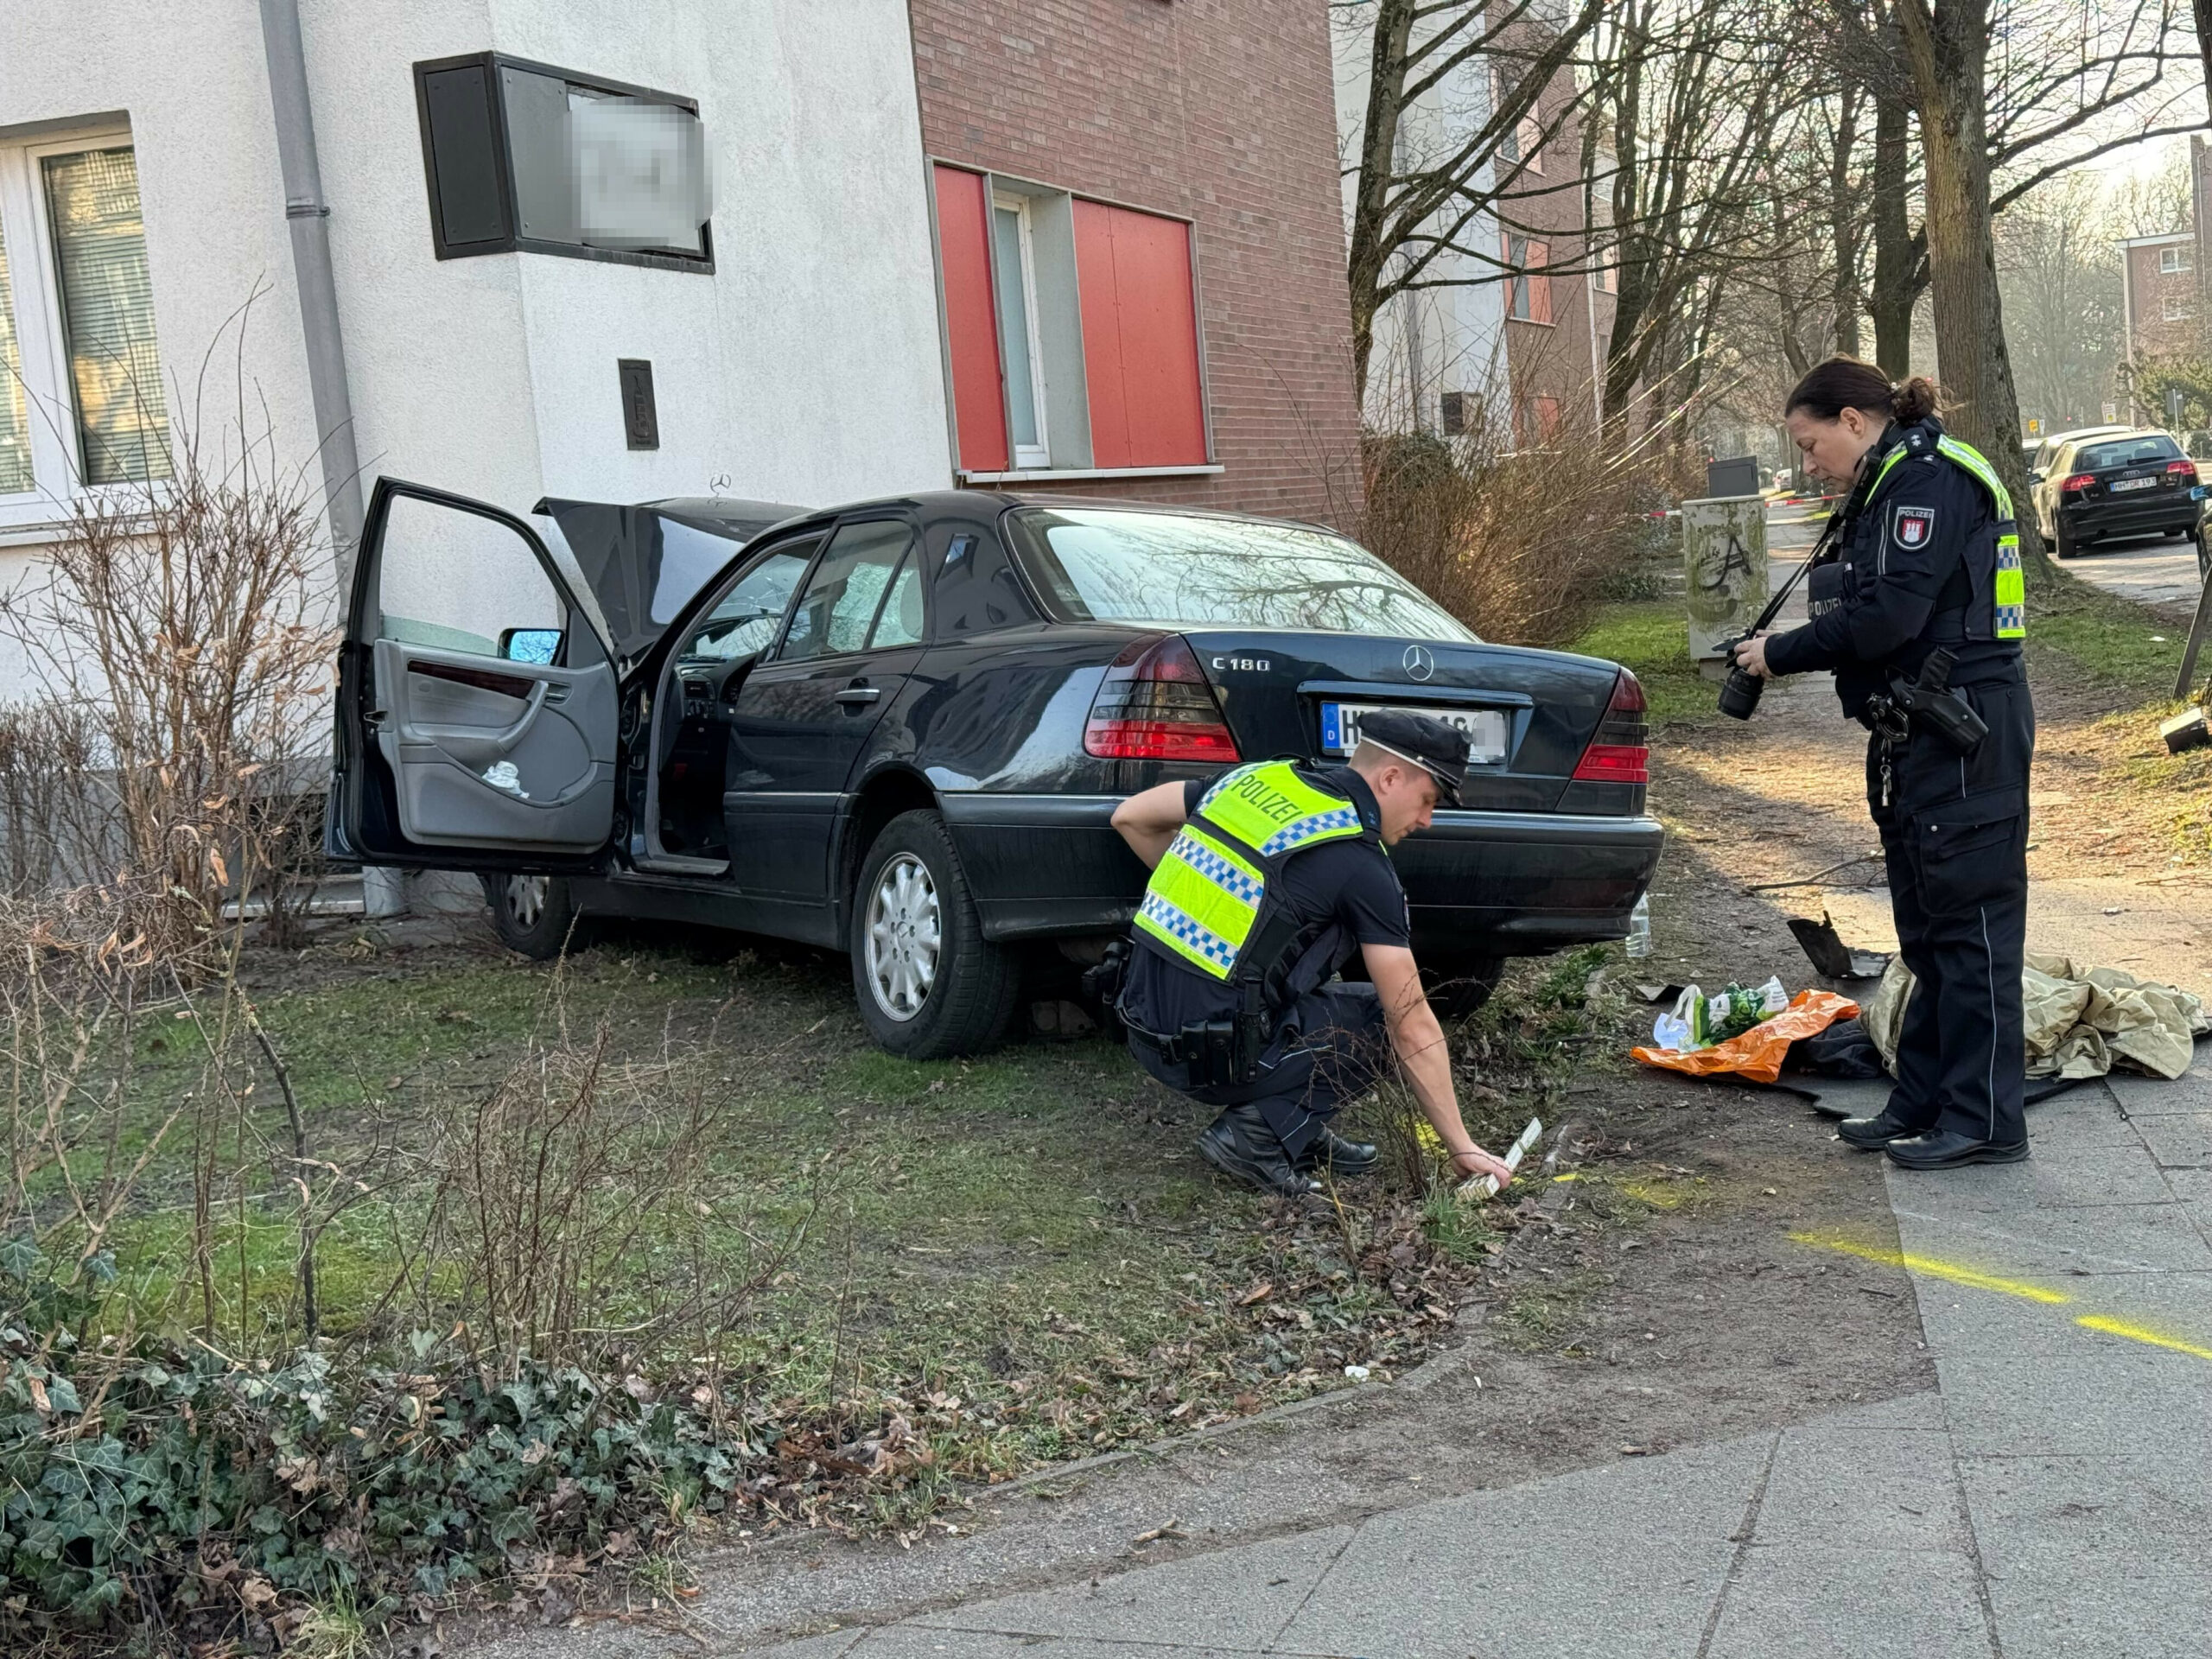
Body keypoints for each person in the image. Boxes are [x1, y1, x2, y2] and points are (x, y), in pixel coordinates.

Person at [1731, 357, 2034, 1169]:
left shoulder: (1928, 480)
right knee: (1929, 935)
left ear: (1853, 421)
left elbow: (1889, 616)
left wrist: (1778, 654)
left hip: (1965, 728)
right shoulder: (1889, 481)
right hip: (1919, 732)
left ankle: (1985, 1122)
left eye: (1808, 442)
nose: (1805, 461)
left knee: (1970, 936)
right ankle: (1924, 1102)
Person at [1106, 709, 1519, 1198]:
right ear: (1390, 778)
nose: (1427, 820)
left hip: (1140, 1022)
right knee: (1377, 1019)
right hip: (1210, 1055)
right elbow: (1409, 1020)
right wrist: (1460, 1146)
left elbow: (1130, 817)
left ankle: (1294, 1126)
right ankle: (1253, 1137)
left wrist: (1214, 901)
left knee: (1316, 975)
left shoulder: (1253, 779)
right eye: (1428, 800)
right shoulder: (1359, 862)